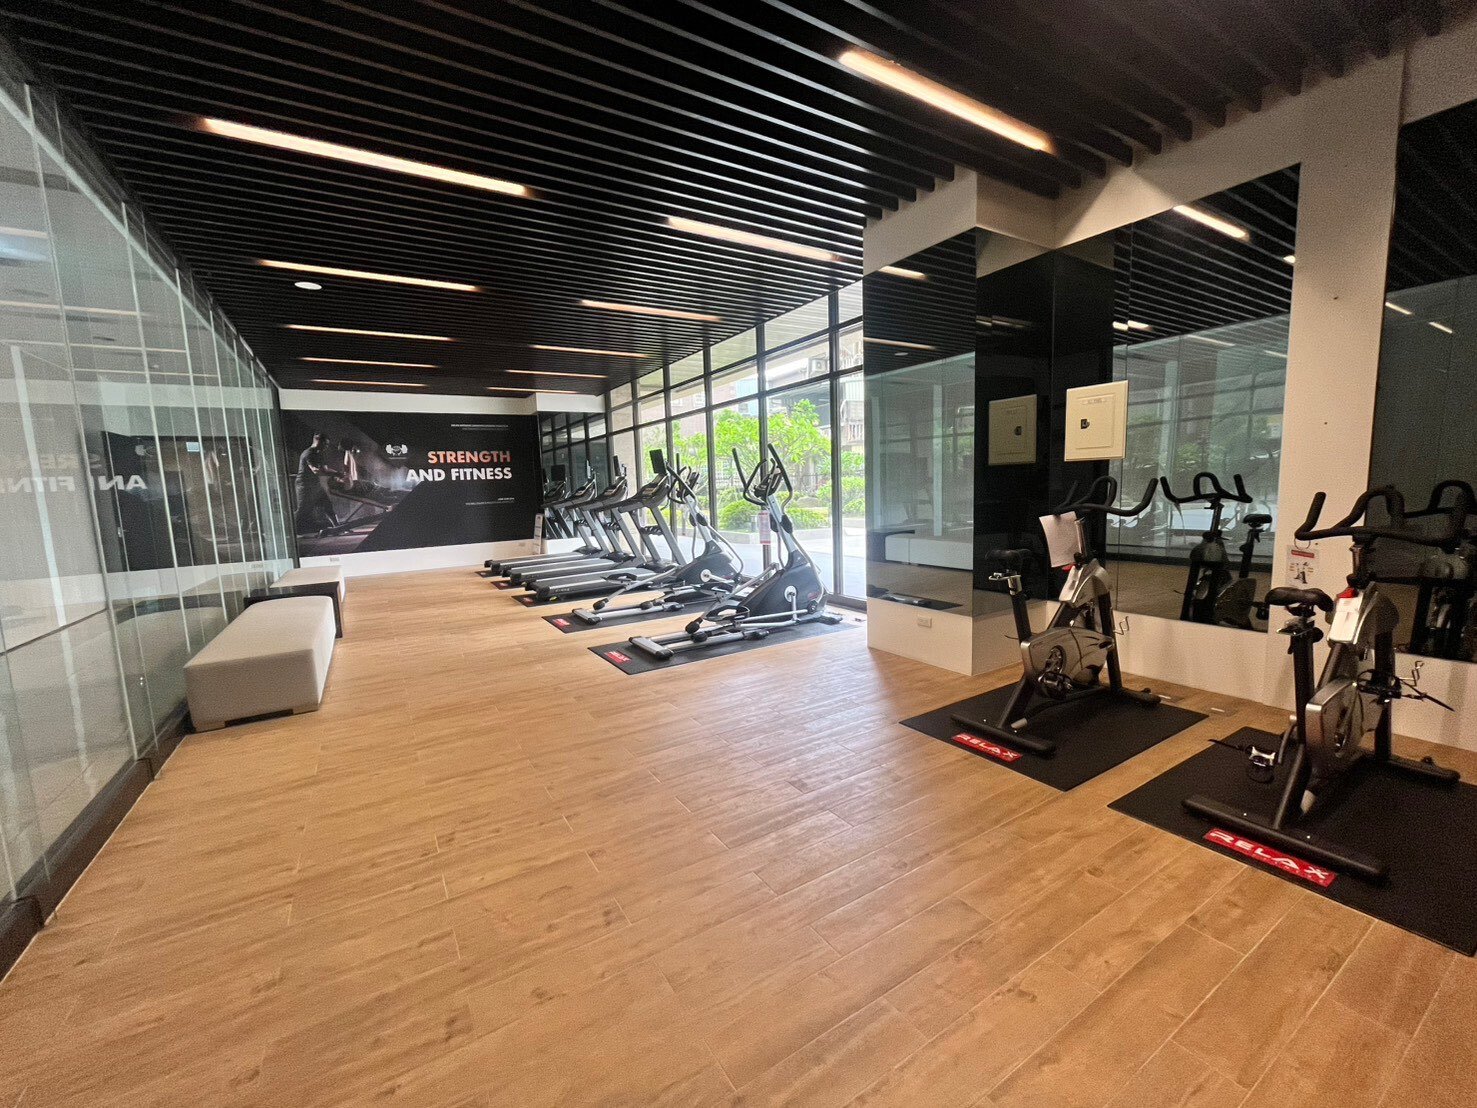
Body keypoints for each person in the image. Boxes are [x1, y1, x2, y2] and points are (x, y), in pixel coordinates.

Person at [294, 432, 340, 535]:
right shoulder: (309, 453)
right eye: (325, 444)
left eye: (327, 444)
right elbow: (316, 471)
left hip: (314, 484)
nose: (326, 446)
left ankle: (337, 527)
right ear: (318, 441)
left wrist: (338, 473)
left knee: (327, 504)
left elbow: (325, 469)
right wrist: (336, 474)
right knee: (303, 509)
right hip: (304, 485)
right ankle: (289, 530)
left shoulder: (319, 454)